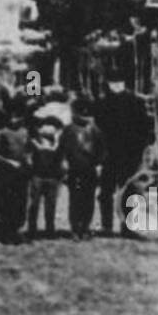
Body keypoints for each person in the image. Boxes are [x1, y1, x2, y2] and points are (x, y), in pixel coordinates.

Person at [94, 76, 152, 236]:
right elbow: (146, 130)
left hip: (116, 154)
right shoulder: (135, 101)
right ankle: (122, 226)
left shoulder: (104, 102)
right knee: (121, 191)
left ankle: (112, 226)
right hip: (124, 154)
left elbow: (145, 129)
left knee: (112, 191)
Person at [0, 95, 32, 243]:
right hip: (7, 175)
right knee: (7, 202)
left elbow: (29, 149)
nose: (15, 120)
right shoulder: (3, 133)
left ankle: (16, 230)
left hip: (22, 174)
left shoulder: (25, 133)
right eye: (13, 116)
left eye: (18, 116)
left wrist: (29, 158)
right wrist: (8, 162)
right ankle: (6, 231)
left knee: (21, 203)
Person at [60, 95, 102, 239]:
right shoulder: (69, 130)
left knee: (88, 200)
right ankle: (75, 228)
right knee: (75, 199)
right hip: (74, 169)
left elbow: (101, 150)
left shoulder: (95, 131)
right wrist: (64, 162)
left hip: (90, 169)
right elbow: (62, 149)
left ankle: (84, 227)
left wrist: (99, 165)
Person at [26, 103, 70, 239]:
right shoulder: (36, 142)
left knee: (49, 206)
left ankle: (48, 229)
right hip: (41, 176)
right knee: (36, 205)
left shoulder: (57, 145)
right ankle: (34, 229)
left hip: (49, 177)